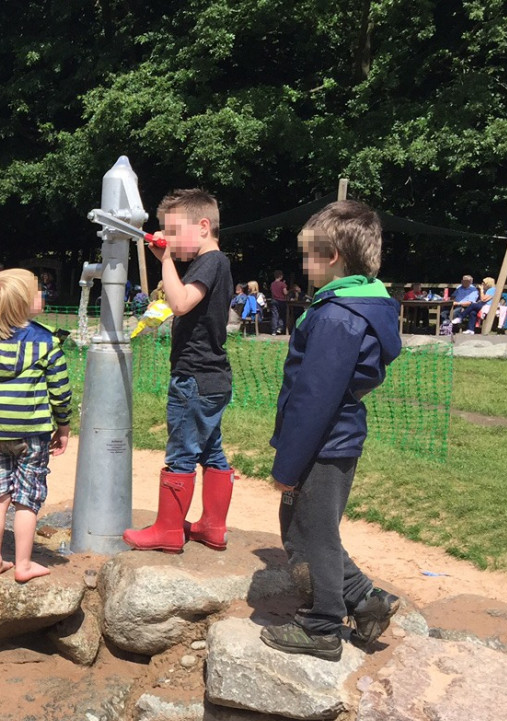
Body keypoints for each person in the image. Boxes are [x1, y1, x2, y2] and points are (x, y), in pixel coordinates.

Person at [261, 200, 402, 660]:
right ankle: (366, 600)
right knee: (302, 522)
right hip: (332, 437)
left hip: (324, 440)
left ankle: (323, 625)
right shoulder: (353, 306)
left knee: (313, 532)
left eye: (308, 256)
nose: (304, 265)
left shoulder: (338, 317)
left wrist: (287, 463)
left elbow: (314, 399)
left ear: (333, 257)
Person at [123, 188, 236, 553]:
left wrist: (165, 261)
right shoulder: (217, 263)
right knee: (212, 452)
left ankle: (169, 531)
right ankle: (213, 527)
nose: (167, 239)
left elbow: (182, 302)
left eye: (174, 231)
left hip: (194, 377)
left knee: (182, 453)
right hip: (214, 378)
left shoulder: (209, 262)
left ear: (203, 227)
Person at [0, 270, 72, 583]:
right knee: (27, 498)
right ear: (21, 305)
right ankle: (22, 564)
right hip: (31, 433)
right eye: (36, 291)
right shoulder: (46, 343)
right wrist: (63, 425)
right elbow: (60, 392)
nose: (42, 294)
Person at [270, 270, 289, 334]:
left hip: (274, 300)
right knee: (282, 315)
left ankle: (273, 330)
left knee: (274, 315)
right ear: (281, 276)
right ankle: (280, 328)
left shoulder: (272, 284)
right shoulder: (282, 284)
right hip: (281, 300)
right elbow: (285, 292)